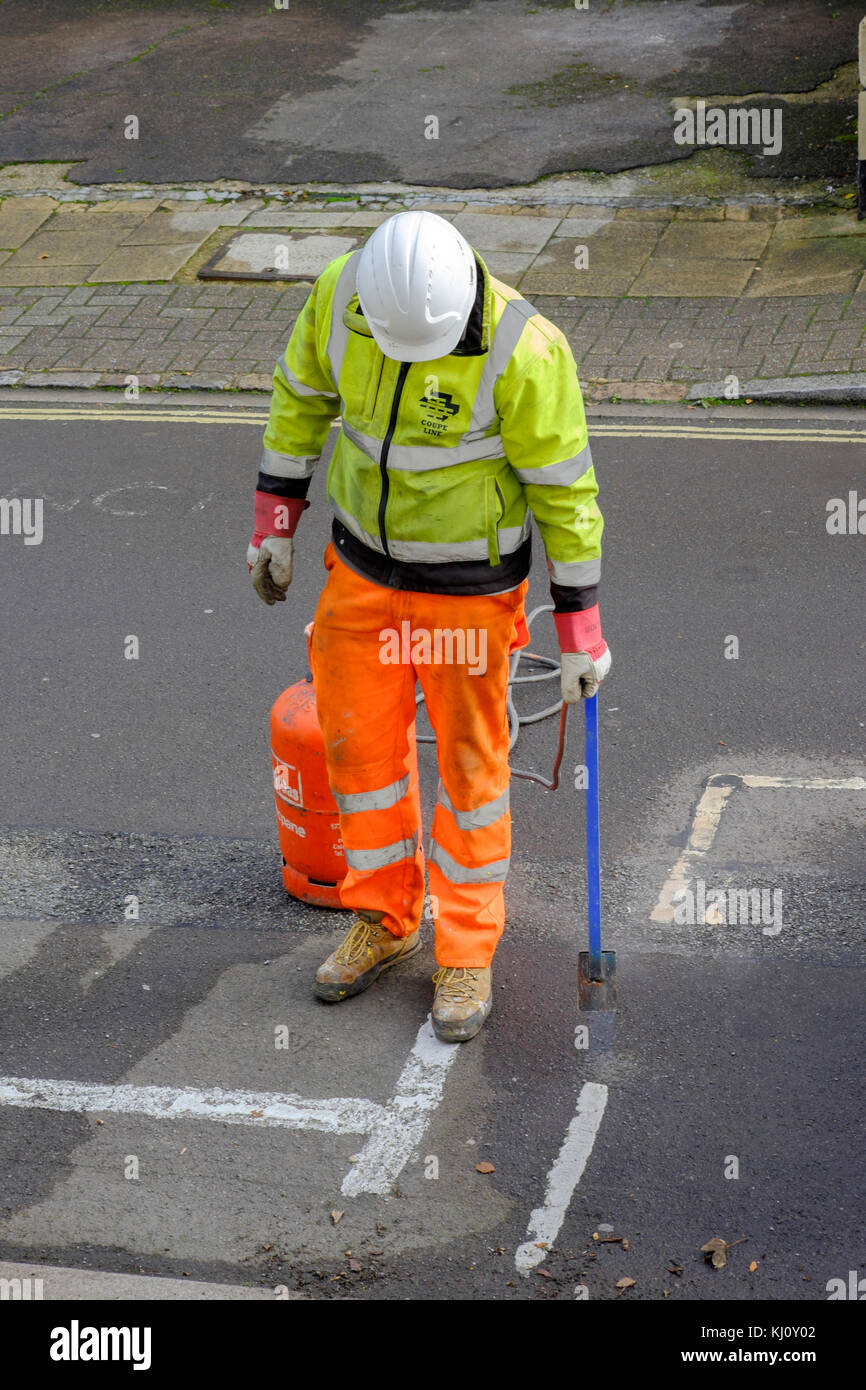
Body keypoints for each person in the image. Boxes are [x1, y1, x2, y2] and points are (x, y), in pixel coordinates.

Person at [248, 210, 610, 1043]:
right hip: (363, 574)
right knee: (360, 758)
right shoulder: (344, 296)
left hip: (468, 595)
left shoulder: (525, 349)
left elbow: (565, 491)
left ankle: (467, 950)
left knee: (471, 774)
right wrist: (275, 519)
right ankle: (385, 916)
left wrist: (581, 629)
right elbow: (300, 396)